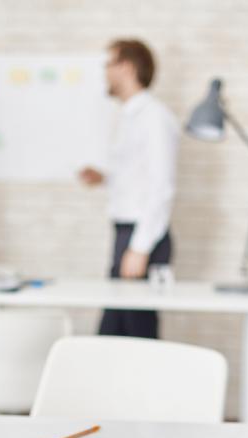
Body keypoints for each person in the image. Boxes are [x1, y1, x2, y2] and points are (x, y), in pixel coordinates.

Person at [79, 39, 180, 339]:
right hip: (127, 233)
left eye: (108, 64)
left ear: (127, 67)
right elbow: (138, 177)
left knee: (135, 336)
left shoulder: (154, 117)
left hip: (143, 235)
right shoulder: (128, 116)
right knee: (115, 332)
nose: (105, 73)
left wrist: (139, 247)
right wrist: (105, 178)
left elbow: (161, 186)